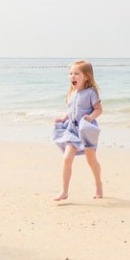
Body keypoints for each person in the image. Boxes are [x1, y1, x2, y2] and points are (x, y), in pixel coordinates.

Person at [52, 59, 103, 201]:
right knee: (67, 159)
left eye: (76, 74)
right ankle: (64, 191)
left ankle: (98, 184)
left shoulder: (91, 92)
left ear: (86, 76)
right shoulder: (71, 93)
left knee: (91, 160)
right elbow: (71, 111)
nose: (72, 77)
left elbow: (99, 109)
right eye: (70, 74)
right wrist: (63, 119)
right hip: (72, 130)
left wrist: (91, 117)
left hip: (86, 130)